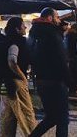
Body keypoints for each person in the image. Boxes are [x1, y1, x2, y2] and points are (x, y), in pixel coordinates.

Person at [28, 8, 69, 137]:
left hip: (41, 79)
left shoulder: (34, 33)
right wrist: (71, 82)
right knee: (62, 118)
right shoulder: (52, 34)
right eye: (57, 17)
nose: (59, 20)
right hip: (55, 79)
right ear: (50, 18)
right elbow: (61, 59)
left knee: (52, 117)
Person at [0, 17, 36, 137]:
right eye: (23, 25)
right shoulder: (17, 42)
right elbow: (12, 61)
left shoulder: (5, 41)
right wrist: (22, 76)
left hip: (5, 82)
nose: (25, 27)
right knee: (26, 114)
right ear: (17, 29)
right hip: (16, 83)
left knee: (8, 116)